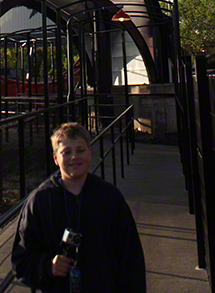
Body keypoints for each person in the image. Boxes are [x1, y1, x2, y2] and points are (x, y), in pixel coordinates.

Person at [11, 122, 146, 292]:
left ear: (90, 154)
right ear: (55, 159)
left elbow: (131, 260)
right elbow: (21, 260)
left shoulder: (110, 198)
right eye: (66, 152)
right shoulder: (40, 202)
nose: (74, 157)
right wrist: (47, 267)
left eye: (80, 151)